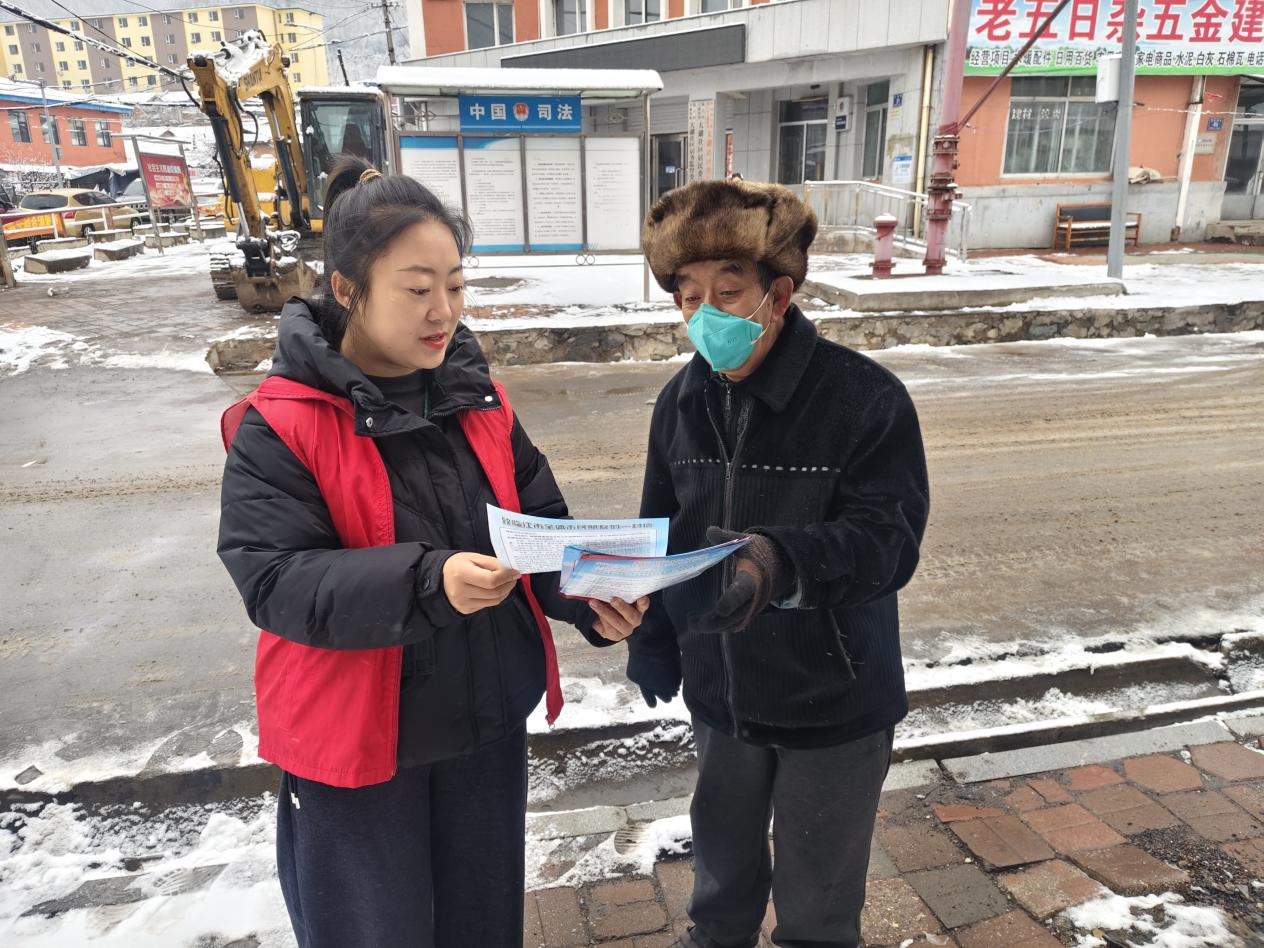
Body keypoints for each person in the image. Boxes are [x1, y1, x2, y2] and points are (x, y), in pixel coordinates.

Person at [217, 157, 648, 948]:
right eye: (417, 289)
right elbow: (275, 581)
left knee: (482, 927)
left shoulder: (478, 400)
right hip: (358, 749)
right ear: (347, 289)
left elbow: (536, 525)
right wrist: (429, 580)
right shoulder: (279, 423)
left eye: (455, 285)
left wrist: (589, 596)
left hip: (484, 726)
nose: (442, 311)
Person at [629, 178, 930, 948]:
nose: (706, 314)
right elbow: (660, 531)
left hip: (832, 699)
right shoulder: (680, 403)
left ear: (780, 294)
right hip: (723, 695)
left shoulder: (864, 399)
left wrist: (780, 561)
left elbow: (888, 542)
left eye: (728, 293)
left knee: (817, 903)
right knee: (720, 879)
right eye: (689, 297)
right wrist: (652, 636)